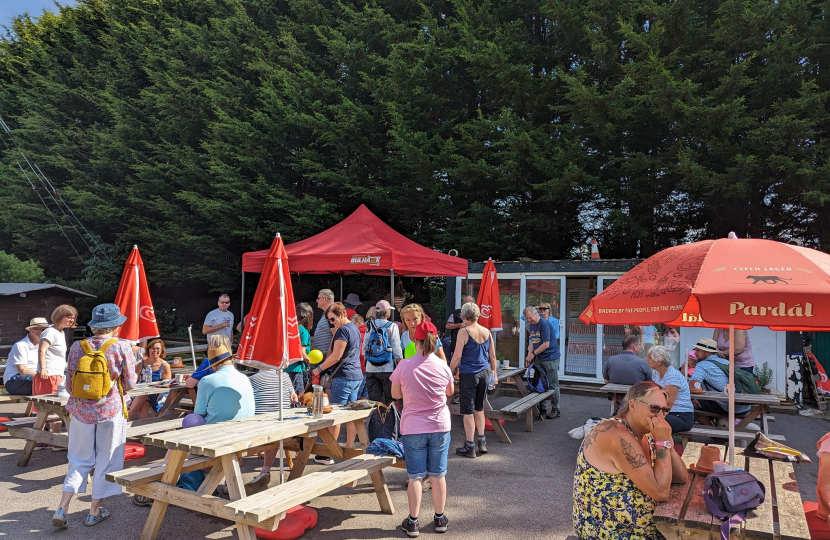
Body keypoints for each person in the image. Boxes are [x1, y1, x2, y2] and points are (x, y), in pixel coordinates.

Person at [52, 303, 137, 529]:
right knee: (106, 459)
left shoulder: (78, 347)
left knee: (79, 460)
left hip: (80, 411)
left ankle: (62, 508)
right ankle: (93, 511)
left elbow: (70, 384)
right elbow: (129, 383)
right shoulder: (122, 347)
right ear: (116, 325)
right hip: (110, 410)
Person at [573, 381, 688, 539]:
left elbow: (681, 477)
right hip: (611, 532)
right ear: (632, 405)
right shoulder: (616, 435)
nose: (660, 416)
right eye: (654, 408)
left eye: (665, 410)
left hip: (642, 527)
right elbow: (661, 492)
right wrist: (661, 443)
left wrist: (666, 441)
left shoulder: (647, 433)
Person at [391, 321, 453, 537]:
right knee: (438, 475)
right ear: (436, 342)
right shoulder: (442, 365)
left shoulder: (404, 365)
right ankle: (440, 518)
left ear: (414, 341)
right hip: (439, 425)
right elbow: (450, 391)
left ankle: (413, 522)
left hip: (413, 426)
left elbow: (395, 395)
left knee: (415, 476)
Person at [229, 367, 297, 497]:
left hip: (257, 430)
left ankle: (231, 481)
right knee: (274, 434)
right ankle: (265, 470)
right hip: (283, 430)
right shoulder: (285, 377)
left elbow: (243, 402)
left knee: (236, 428)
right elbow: (293, 397)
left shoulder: (251, 380)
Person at [310, 302, 363, 462]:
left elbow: (336, 356)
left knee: (335, 416)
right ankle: (348, 448)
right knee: (350, 414)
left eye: (333, 319)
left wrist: (318, 369)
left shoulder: (343, 330)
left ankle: (329, 453)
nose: (332, 323)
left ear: (341, 314)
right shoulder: (354, 327)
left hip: (344, 376)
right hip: (356, 375)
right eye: (329, 321)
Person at [449, 302, 498, 458]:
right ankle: (482, 441)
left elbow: (457, 356)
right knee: (479, 408)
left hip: (469, 374)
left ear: (463, 316)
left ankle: (469, 445)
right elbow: (493, 356)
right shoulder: (486, 332)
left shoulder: (464, 332)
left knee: (467, 411)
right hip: (485, 372)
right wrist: (494, 374)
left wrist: (448, 371)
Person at [689, 337, 751, 423]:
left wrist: (692, 398)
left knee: (690, 405)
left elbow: (693, 386)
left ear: (707, 352)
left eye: (698, 350)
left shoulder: (702, 365)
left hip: (728, 407)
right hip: (744, 407)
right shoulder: (725, 362)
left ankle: (714, 435)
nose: (695, 353)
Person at [524, 306, 561, 420]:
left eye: (530, 318)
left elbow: (546, 344)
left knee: (553, 384)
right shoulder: (532, 325)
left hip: (550, 357)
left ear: (536, 314)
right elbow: (532, 341)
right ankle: (542, 407)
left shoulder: (544, 324)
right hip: (539, 357)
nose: (529, 321)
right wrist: (528, 356)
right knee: (540, 382)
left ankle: (556, 409)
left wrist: (533, 354)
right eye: (527, 319)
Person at [647, 345, 694, 433]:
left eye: (650, 358)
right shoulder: (656, 373)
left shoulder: (672, 376)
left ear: (659, 362)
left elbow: (668, 404)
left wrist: (654, 415)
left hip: (681, 415)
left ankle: (658, 446)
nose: (647, 360)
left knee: (653, 424)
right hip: (666, 412)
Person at [363, 300, 403, 404]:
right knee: (390, 400)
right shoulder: (392, 326)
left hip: (371, 368)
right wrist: (401, 364)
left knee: (374, 401)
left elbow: (365, 346)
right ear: (387, 313)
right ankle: (389, 419)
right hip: (387, 367)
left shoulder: (369, 324)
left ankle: (377, 419)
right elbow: (396, 347)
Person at [34, 304, 77, 397]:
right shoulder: (50, 332)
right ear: (59, 317)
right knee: (49, 406)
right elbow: (42, 350)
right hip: (49, 374)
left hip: (57, 373)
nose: (72, 320)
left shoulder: (60, 332)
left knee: (55, 406)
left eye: (73, 318)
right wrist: (43, 369)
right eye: (69, 317)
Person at [128, 338, 172, 420]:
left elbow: (167, 385)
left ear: (162, 351)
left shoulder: (165, 365)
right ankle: (145, 430)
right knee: (143, 402)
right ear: (148, 350)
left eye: (158, 348)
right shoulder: (141, 364)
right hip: (142, 392)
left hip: (158, 394)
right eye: (153, 348)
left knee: (143, 397)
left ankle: (127, 418)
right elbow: (134, 381)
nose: (155, 351)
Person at [4, 317, 49, 395]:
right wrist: (42, 375)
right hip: (14, 381)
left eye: (47, 331)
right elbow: (23, 371)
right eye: (43, 330)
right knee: (37, 380)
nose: (46, 334)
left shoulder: (42, 346)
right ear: (32, 331)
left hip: (32, 379)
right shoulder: (21, 346)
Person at [184, 334, 231, 403]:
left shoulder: (209, 362)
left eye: (209, 344)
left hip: (212, 402)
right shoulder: (231, 362)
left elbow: (189, 384)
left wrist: (194, 378)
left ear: (212, 347)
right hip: (229, 400)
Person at [287, 302, 313, 395]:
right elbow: (302, 353)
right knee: (297, 397)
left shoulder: (289, 330)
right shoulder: (303, 331)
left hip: (286, 368)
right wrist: (308, 360)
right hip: (296, 369)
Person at [313, 289, 335, 353]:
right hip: (322, 355)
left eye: (318, 298)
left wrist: (329, 354)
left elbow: (336, 334)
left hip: (326, 355)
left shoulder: (331, 313)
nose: (316, 300)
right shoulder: (327, 314)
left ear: (325, 299)